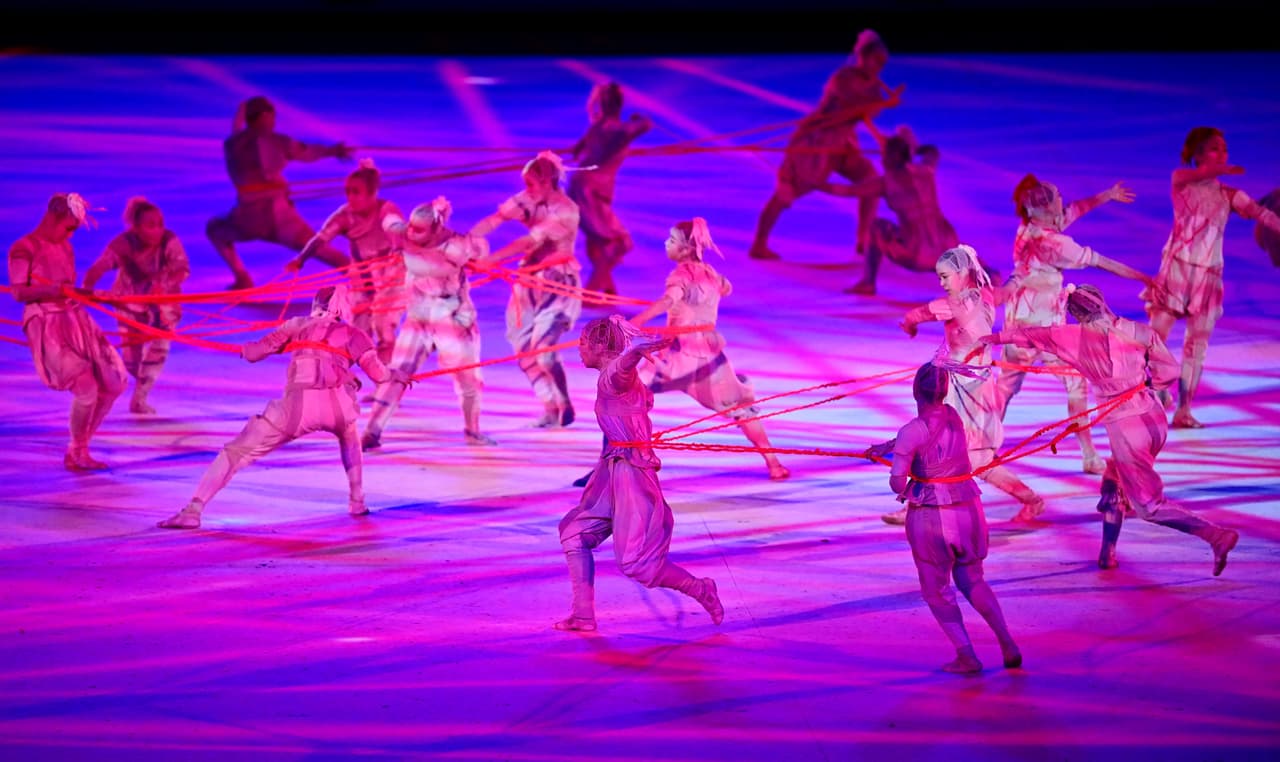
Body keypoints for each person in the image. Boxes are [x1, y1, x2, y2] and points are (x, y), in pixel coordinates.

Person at [980, 284, 1240, 574]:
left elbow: (1028, 336)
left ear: (1076, 314)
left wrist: (990, 338)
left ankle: (1216, 535)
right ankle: (1108, 553)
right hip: (1153, 418)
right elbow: (1170, 371)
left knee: (1148, 506)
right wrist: (1149, 384)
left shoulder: (1071, 336)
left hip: (1128, 430)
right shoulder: (1135, 330)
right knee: (1113, 481)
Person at [156, 284, 411, 529]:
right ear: (343, 308)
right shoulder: (354, 334)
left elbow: (256, 353)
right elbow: (378, 375)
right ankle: (357, 501)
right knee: (349, 436)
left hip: (297, 408)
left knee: (236, 452)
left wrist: (243, 349)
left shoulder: (297, 325)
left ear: (316, 305)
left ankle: (193, 510)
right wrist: (395, 374)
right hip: (339, 408)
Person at [554, 315, 725, 632]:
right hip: (612, 471)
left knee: (638, 564)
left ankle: (700, 588)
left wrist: (633, 352)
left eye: (582, 343)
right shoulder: (617, 378)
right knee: (574, 534)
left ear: (600, 347)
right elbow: (623, 370)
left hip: (631, 476)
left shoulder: (613, 379)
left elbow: (622, 370)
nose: (578, 350)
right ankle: (582, 615)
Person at [865, 362, 1022, 674]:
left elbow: (898, 482)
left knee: (936, 589)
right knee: (973, 580)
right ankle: (1007, 642)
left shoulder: (911, 431)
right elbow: (923, 438)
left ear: (914, 390)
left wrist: (896, 460)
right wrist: (890, 447)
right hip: (968, 510)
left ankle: (966, 655)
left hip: (932, 518)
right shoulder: (952, 416)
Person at [996, 175, 1148, 474]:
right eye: (1057, 199)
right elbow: (1105, 263)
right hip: (1043, 329)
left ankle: (985, 446)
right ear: (1046, 208)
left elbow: (1075, 210)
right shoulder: (1056, 243)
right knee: (1071, 385)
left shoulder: (1029, 229)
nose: (1063, 203)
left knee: (1007, 389)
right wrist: (1145, 278)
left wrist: (1108, 194)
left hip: (1022, 323)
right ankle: (1089, 455)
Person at [882, 244, 1043, 525]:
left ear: (962, 272)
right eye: (940, 277)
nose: (942, 283)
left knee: (968, 457)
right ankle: (914, 504)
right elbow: (1007, 291)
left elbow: (919, 313)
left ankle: (1030, 498)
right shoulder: (987, 295)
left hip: (964, 391)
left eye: (945, 276)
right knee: (949, 450)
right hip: (972, 385)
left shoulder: (954, 303)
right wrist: (1019, 276)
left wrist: (909, 325)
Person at [630, 218, 790, 480]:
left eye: (671, 241)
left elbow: (668, 300)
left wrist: (636, 322)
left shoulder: (679, 275)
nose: (665, 244)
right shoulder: (711, 273)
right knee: (739, 407)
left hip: (676, 357)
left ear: (684, 250)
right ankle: (773, 464)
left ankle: (622, 463)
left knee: (626, 397)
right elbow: (726, 288)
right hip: (708, 356)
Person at [1143, 127, 1280, 428]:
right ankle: (1152, 393)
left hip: (1208, 277)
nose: (1222, 153)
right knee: (1155, 340)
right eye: (1214, 148)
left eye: (1224, 149)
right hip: (1176, 271)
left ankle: (1184, 410)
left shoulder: (1230, 195)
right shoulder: (1180, 182)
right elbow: (1187, 175)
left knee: (1197, 346)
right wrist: (1219, 169)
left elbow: (1262, 215)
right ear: (1198, 153)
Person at [747, 28, 902, 261]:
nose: (878, 67)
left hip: (844, 142)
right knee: (788, 192)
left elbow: (865, 116)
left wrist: (880, 126)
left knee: (870, 181)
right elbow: (855, 107)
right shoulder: (844, 79)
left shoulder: (872, 85)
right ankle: (759, 245)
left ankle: (863, 239)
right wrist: (882, 102)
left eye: (882, 63)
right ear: (863, 56)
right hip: (819, 141)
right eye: (875, 60)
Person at [362, 197, 496, 450]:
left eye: (419, 229)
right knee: (396, 372)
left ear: (435, 229)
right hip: (419, 315)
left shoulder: (455, 246)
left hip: (451, 317)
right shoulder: (403, 234)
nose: (412, 233)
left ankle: (472, 430)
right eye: (411, 226)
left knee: (467, 377)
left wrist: (472, 254)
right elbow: (388, 215)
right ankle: (372, 431)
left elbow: (482, 249)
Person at [7, 193, 126, 470]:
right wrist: (55, 290)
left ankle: (79, 448)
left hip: (75, 319)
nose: (70, 234)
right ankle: (78, 451)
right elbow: (18, 292)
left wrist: (95, 294)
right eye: (69, 227)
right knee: (86, 388)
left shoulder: (65, 247)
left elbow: (69, 287)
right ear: (52, 218)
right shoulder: (24, 247)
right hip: (47, 323)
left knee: (113, 383)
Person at [469, 151, 582, 428]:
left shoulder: (566, 210)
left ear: (547, 182)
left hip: (557, 283)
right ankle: (549, 404)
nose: (527, 190)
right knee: (523, 350)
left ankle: (564, 401)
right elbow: (496, 219)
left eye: (532, 184)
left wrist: (490, 260)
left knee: (544, 350)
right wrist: (468, 242)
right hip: (528, 282)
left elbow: (529, 241)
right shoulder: (529, 199)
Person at [206, 95, 353, 290]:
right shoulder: (276, 142)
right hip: (279, 215)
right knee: (318, 248)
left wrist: (239, 117)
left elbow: (236, 135)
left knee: (215, 230)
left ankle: (242, 277)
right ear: (266, 116)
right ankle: (362, 276)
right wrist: (334, 151)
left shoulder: (232, 145)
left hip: (247, 218)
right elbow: (306, 152)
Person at [82, 196, 189, 415]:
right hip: (130, 303)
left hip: (163, 304)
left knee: (159, 349)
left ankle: (140, 398)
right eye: (150, 225)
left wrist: (164, 284)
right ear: (136, 228)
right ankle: (134, 387)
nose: (158, 230)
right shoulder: (124, 243)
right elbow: (97, 269)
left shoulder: (169, 240)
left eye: (160, 224)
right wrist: (86, 291)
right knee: (132, 363)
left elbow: (181, 269)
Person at [818, 128, 959, 295]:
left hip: (916, 255)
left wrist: (817, 183)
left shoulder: (886, 183)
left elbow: (848, 191)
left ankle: (868, 283)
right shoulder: (926, 171)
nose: (882, 159)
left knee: (877, 227)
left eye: (885, 155)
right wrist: (913, 148)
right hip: (945, 256)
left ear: (893, 158)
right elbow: (932, 151)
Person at [293, 159, 406, 364]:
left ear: (372, 194)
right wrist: (301, 259)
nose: (351, 197)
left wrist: (398, 253)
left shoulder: (386, 210)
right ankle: (363, 372)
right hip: (361, 274)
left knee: (383, 324)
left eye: (356, 192)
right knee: (358, 330)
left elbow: (396, 234)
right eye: (348, 192)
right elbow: (322, 238)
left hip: (390, 272)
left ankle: (385, 378)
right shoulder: (345, 214)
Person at [567, 81, 653, 300]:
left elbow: (580, 145)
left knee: (598, 240)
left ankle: (607, 288)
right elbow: (645, 125)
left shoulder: (597, 127)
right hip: (592, 192)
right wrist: (636, 119)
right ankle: (592, 291)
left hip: (580, 187)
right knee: (620, 242)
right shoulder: (618, 131)